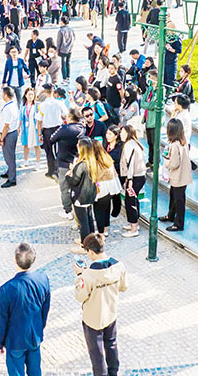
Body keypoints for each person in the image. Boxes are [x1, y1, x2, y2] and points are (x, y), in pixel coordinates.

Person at [74, 233, 128, 376]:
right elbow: (123, 287)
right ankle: (113, 372)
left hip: (93, 319)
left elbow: (80, 296)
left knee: (96, 353)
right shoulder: (119, 266)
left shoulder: (88, 275)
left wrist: (79, 275)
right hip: (110, 313)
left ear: (91, 252)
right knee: (111, 344)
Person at [0, 243, 51, 376]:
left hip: (15, 340)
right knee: (35, 371)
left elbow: (1, 319)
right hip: (34, 336)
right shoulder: (43, 279)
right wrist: (40, 327)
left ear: (15, 260)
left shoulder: (7, 288)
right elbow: (45, 308)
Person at [67, 139, 101, 253]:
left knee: (83, 223)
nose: (76, 146)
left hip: (81, 197)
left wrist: (68, 175)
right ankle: (92, 242)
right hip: (90, 196)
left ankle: (84, 246)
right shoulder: (92, 162)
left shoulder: (82, 164)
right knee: (89, 219)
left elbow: (74, 181)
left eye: (78, 145)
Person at [52, 107, 85, 219]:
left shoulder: (64, 128)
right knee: (78, 187)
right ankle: (79, 209)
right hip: (78, 161)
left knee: (65, 188)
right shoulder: (82, 129)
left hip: (64, 162)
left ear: (70, 117)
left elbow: (52, 138)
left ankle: (67, 210)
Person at [159, 118, 191, 232]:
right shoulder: (183, 140)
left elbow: (174, 163)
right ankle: (171, 215)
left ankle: (178, 224)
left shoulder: (174, 145)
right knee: (174, 196)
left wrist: (166, 161)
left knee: (178, 200)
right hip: (183, 175)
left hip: (178, 176)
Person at [118, 126, 145, 238]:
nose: (120, 135)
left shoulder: (129, 145)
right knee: (133, 200)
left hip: (134, 177)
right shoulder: (135, 143)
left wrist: (129, 180)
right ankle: (135, 224)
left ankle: (134, 228)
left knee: (130, 202)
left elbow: (130, 164)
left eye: (123, 133)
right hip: (138, 176)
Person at [93, 134, 121, 237]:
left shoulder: (97, 162)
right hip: (111, 186)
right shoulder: (106, 157)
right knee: (106, 208)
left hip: (102, 188)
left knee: (98, 211)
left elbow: (96, 176)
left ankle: (101, 232)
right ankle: (105, 229)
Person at [39, 85, 67, 179]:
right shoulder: (59, 103)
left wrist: (39, 133)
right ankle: (58, 170)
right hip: (58, 128)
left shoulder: (42, 105)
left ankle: (51, 170)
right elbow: (65, 114)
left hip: (47, 130)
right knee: (58, 150)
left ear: (44, 92)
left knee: (49, 151)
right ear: (53, 91)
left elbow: (39, 120)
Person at [0, 87, 20, 188]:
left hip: (9, 134)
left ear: (6, 95)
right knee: (10, 155)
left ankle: (12, 179)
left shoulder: (9, 108)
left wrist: (1, 138)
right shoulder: (13, 104)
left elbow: (6, 126)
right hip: (12, 132)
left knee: (9, 157)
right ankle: (9, 172)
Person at [19, 87, 42, 170]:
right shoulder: (23, 105)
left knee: (37, 145)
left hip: (34, 127)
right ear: (25, 95)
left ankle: (38, 163)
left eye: (32, 94)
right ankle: (26, 161)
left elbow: (40, 117)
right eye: (29, 94)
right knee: (25, 144)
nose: (30, 96)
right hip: (26, 127)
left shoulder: (37, 105)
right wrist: (18, 127)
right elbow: (20, 117)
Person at [57, 16, 74, 81]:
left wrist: (57, 50)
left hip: (63, 49)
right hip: (70, 49)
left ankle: (64, 78)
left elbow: (59, 42)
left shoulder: (61, 31)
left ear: (62, 22)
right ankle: (68, 76)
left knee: (63, 64)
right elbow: (74, 39)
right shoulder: (71, 30)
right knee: (68, 63)